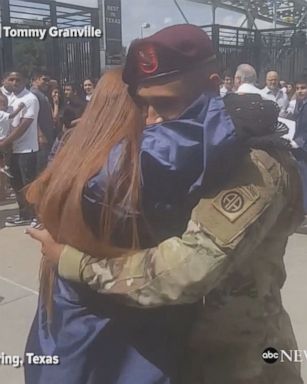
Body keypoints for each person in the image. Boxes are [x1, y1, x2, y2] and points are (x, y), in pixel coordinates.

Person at [26, 24, 304, 384]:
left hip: (243, 361)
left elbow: (186, 272)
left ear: (212, 84)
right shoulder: (190, 150)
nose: (152, 119)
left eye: (166, 103)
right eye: (145, 104)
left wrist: (75, 263)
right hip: (183, 356)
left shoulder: (254, 163)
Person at [0, 71, 39, 226]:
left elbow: (24, 125)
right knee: (16, 184)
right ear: (6, 81)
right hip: (13, 150)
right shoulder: (11, 99)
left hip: (26, 149)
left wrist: (4, 143)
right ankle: (24, 215)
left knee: (28, 184)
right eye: (11, 79)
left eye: (18, 79)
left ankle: (36, 216)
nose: (15, 82)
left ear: (25, 81)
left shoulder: (30, 99)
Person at [30, 69, 56, 173]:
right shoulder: (33, 95)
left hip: (47, 134)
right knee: (41, 167)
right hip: (41, 138)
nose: (47, 82)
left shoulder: (41, 94)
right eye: (44, 79)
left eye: (48, 80)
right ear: (35, 80)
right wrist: (40, 135)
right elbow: (33, 117)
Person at [291, 75, 307, 233]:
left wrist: (299, 142)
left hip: (304, 149)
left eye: (303, 88)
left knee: (304, 180)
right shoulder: (299, 104)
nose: (300, 91)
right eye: (298, 88)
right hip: (299, 149)